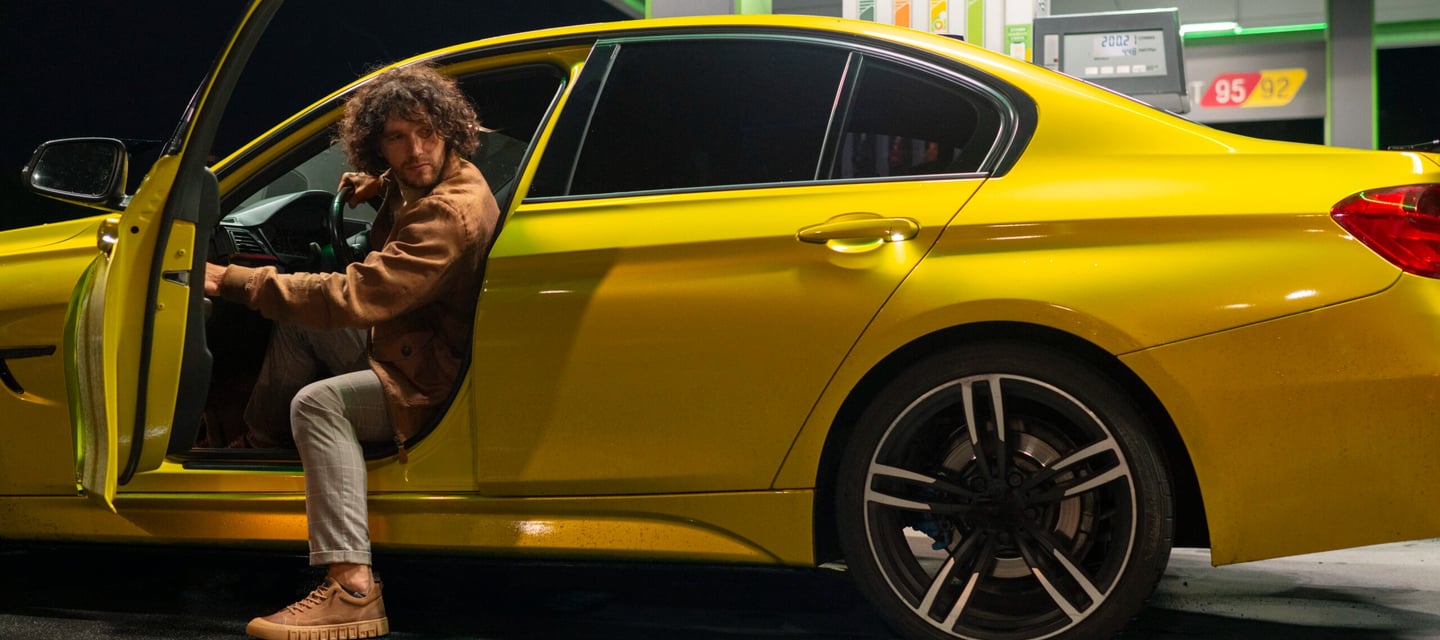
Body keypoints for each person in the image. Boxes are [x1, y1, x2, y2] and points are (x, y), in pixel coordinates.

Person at [204, 63, 500, 640]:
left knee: (318, 404)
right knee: (298, 327)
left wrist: (235, 280)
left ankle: (352, 588)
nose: (416, 149)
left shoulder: (446, 211)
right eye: (396, 137)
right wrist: (380, 185)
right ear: (377, 144)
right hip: (412, 342)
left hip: (426, 375)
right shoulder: (434, 181)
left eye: (426, 132)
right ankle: (254, 452)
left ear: (449, 129)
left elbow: (355, 295)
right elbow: (410, 186)